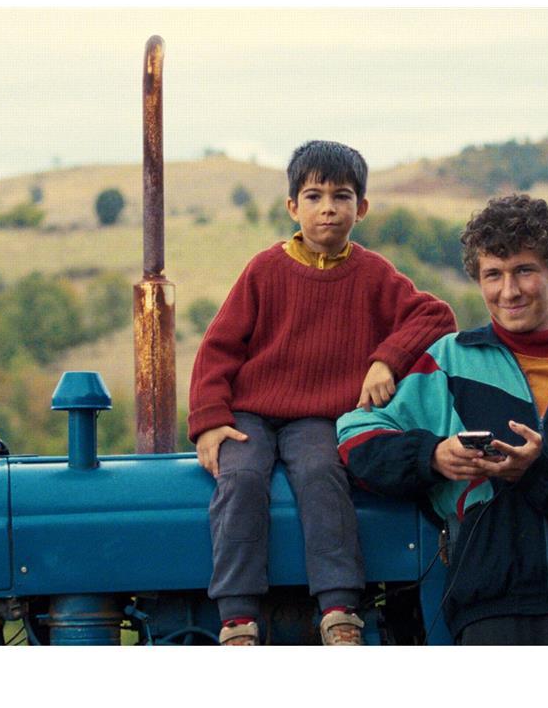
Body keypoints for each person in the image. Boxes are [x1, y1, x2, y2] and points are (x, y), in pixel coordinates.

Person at [337, 194, 548, 645]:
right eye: (493, 274)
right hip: (491, 614)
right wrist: (433, 456)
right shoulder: (448, 364)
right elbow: (356, 435)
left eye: (524, 271)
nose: (508, 291)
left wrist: (543, 467)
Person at [188, 140, 457, 645]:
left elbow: (436, 315)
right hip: (250, 411)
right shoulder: (265, 270)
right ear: (293, 207)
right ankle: (237, 615)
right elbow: (219, 347)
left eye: (342, 196)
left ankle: (338, 610)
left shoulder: (374, 274)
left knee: (321, 472)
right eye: (313, 197)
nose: (328, 208)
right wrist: (208, 420)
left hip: (318, 418)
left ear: (363, 207)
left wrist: (386, 359)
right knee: (241, 476)